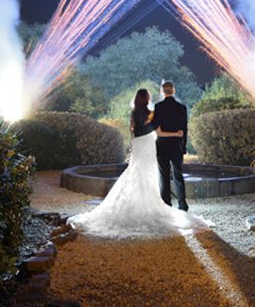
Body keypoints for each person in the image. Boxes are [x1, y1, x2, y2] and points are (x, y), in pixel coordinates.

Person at [69, 86, 209, 239]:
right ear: (145, 98)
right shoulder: (147, 114)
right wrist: (175, 133)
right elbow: (157, 130)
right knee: (148, 176)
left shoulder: (138, 113)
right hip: (146, 148)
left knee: (142, 175)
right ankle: (155, 205)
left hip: (140, 147)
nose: (150, 98)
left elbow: (147, 126)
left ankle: (148, 203)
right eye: (148, 96)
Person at [151, 79, 189, 210]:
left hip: (162, 146)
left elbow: (156, 129)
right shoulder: (182, 108)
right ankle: (182, 204)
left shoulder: (158, 107)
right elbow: (185, 130)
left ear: (162, 92)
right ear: (173, 91)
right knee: (178, 175)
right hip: (177, 145)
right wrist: (183, 147)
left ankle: (166, 204)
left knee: (164, 176)